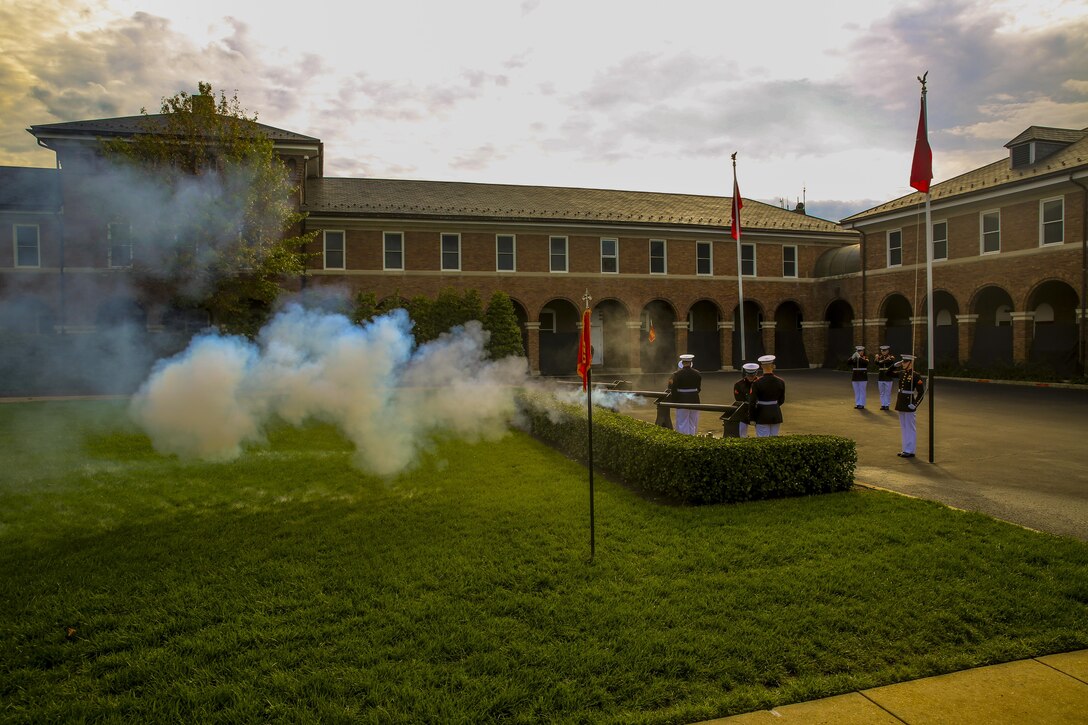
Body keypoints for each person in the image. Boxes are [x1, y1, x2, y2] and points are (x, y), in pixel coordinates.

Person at [893, 354, 926, 458]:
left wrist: (915, 404)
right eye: (902, 362)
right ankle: (905, 449)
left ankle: (910, 450)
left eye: (905, 362)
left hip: (909, 403)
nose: (903, 364)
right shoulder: (902, 373)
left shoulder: (916, 376)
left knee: (910, 427)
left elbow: (921, 392)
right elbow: (887, 373)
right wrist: (894, 365)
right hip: (901, 402)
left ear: (910, 363)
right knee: (904, 427)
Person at [748, 354, 785, 437]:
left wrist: (752, 418)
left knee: (763, 441)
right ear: (773, 366)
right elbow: (782, 400)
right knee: (774, 438)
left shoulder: (757, 383)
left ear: (761, 366)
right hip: (775, 413)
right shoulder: (781, 381)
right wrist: (773, 406)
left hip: (761, 414)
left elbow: (752, 402)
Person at [670, 353, 701, 435]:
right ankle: (692, 437)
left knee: (682, 422)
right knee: (693, 422)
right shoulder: (697, 373)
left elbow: (673, 389)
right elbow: (698, 388)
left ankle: (684, 440)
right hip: (695, 399)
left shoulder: (676, 374)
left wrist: (674, 401)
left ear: (682, 363)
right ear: (691, 363)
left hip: (682, 400)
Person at [732, 362, 761, 437]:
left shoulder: (761, 383)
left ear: (756, 373)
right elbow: (738, 399)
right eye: (749, 375)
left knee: (761, 434)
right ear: (746, 373)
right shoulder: (739, 384)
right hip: (744, 410)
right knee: (742, 434)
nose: (751, 377)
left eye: (753, 375)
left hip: (758, 410)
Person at [875, 344, 897, 410]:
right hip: (881, 376)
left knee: (887, 392)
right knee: (882, 392)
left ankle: (887, 405)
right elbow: (876, 363)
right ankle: (883, 405)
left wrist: (880, 361)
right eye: (882, 351)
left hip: (888, 377)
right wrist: (877, 359)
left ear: (888, 351)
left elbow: (890, 361)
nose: (883, 352)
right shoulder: (879, 357)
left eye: (885, 351)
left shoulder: (891, 357)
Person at [849, 345, 869, 409]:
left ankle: (862, 404)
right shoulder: (854, 358)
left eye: (861, 351)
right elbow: (848, 363)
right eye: (858, 351)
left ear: (863, 351)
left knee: (862, 391)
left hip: (863, 376)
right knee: (857, 391)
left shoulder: (865, 357)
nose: (859, 352)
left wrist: (859, 357)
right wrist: (852, 357)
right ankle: (857, 403)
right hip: (855, 376)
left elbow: (865, 363)